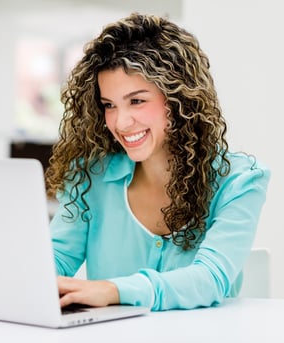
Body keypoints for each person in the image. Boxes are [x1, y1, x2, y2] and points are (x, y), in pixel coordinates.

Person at [44, 12, 270, 311]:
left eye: (137, 100)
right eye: (109, 105)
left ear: (180, 100)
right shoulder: (90, 177)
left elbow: (211, 278)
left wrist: (114, 290)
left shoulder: (239, 180)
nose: (121, 122)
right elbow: (54, 260)